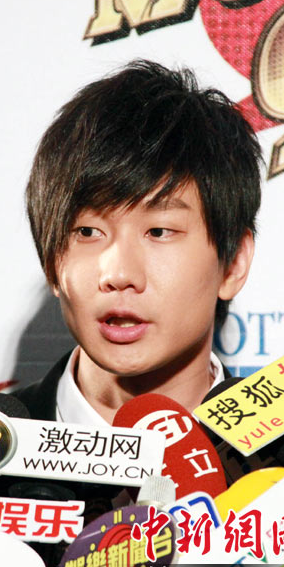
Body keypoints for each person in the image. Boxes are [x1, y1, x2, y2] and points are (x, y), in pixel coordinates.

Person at [19, 59, 262, 425]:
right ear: (51, 263)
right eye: (87, 232)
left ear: (234, 264)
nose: (119, 274)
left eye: (159, 231)